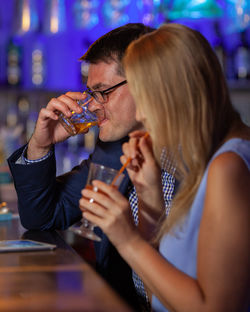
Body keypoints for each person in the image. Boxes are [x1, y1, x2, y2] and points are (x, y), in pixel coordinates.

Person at [79, 23, 250, 312]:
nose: (142, 115)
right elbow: (157, 293)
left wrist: (128, 240)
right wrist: (150, 200)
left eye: (146, 100)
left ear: (177, 95)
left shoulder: (229, 165)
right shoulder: (207, 159)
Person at [7, 23, 176, 311]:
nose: (94, 106)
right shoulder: (113, 149)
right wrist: (41, 144)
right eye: (91, 92)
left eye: (103, 91)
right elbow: (42, 217)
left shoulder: (203, 158)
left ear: (147, 84)